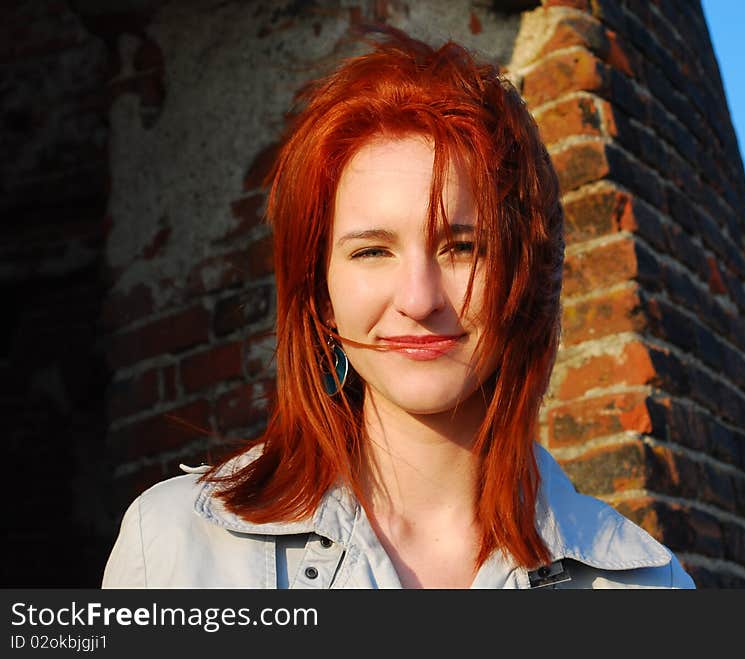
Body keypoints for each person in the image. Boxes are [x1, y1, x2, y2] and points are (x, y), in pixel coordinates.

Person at [102, 27, 694, 589]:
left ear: (522, 274)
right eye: (372, 251)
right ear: (322, 296)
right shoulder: (175, 545)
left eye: (462, 247)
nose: (418, 299)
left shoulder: (646, 584)